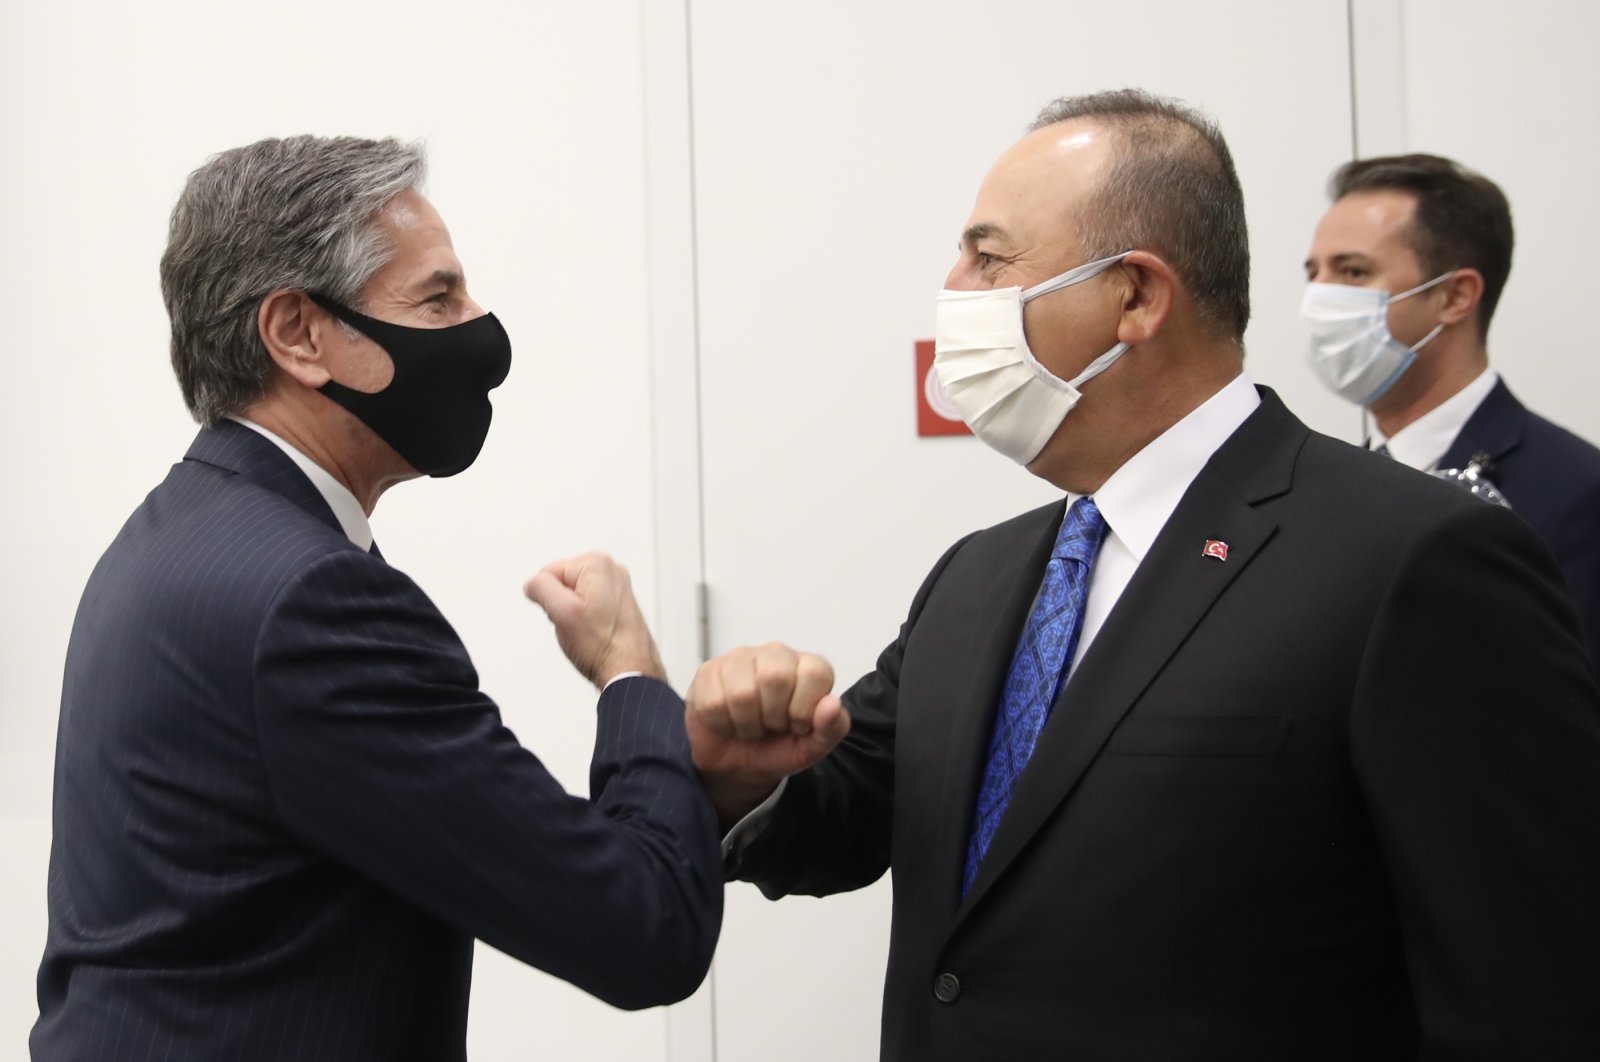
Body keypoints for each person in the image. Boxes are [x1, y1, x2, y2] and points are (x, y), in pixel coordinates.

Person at [686, 91, 1600, 1060]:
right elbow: (857, 805)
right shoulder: (979, 575)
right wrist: (734, 777)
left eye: (988, 259)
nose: (955, 289)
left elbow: (1524, 988)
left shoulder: (1412, 558)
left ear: (1133, 295)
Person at [32, 136, 721, 1061]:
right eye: (438, 297)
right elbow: (643, 930)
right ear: (297, 335)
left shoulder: (172, 539)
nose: (482, 331)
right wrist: (630, 675)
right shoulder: (313, 604)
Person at [1303, 152, 1600, 672]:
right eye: (1315, 273)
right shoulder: (1324, 489)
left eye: (1352, 271)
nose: (1320, 299)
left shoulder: (1575, 492)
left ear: (1455, 296)